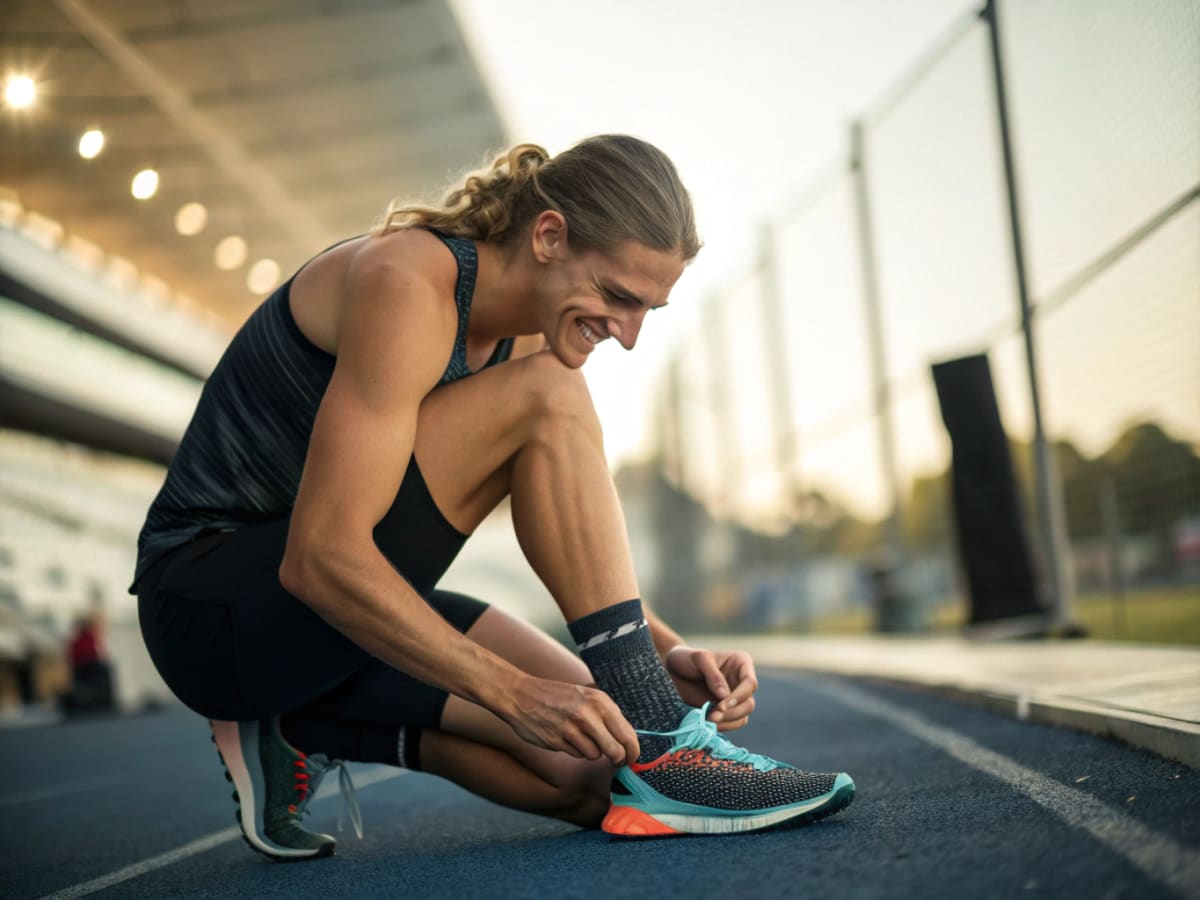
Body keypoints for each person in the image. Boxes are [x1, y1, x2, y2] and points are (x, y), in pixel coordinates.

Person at [132, 135, 854, 861]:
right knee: (551, 399)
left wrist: (669, 650)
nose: (629, 337)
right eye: (617, 297)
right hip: (215, 613)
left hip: (327, 633)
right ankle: (669, 747)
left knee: (602, 771)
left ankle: (303, 725)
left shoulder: (532, 343)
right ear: (548, 236)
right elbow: (320, 557)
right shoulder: (408, 283)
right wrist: (509, 692)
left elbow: (574, 540)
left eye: (649, 312)